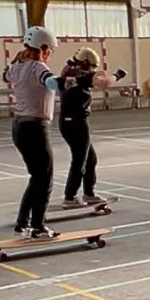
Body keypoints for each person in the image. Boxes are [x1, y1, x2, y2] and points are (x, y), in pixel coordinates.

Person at [3, 27, 123, 239]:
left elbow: (5, 76)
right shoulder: (38, 67)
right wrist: (74, 80)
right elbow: (52, 82)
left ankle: (22, 223)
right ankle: (38, 227)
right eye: (49, 49)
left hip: (19, 127)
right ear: (42, 48)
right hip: (34, 128)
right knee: (44, 180)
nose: (50, 53)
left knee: (36, 177)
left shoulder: (17, 66)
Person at [58, 46, 105, 209]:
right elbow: (96, 80)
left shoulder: (73, 71)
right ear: (85, 62)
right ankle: (70, 196)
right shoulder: (73, 73)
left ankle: (89, 193)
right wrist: (116, 76)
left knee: (90, 159)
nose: (93, 69)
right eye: (92, 66)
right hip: (74, 122)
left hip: (75, 121)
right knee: (80, 160)